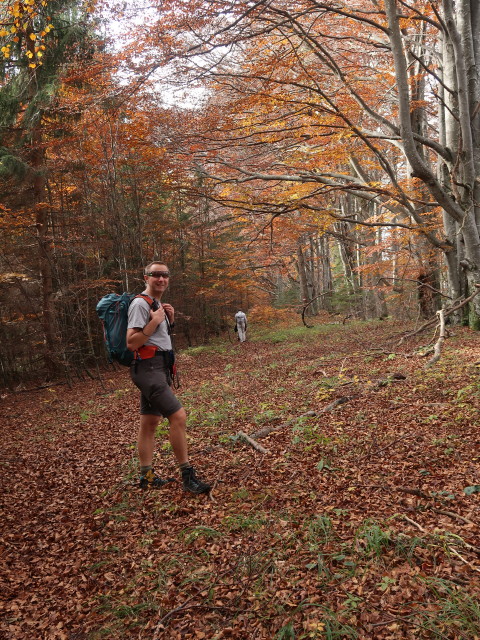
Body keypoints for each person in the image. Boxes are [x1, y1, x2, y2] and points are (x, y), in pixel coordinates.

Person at [126, 261, 211, 494]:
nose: (161, 279)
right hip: (147, 369)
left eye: (165, 275)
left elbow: (157, 339)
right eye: (155, 275)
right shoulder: (139, 304)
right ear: (146, 278)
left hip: (159, 368)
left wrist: (168, 321)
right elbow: (131, 342)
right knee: (178, 416)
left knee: (150, 422)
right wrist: (154, 321)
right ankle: (187, 476)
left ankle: (147, 476)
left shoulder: (157, 303)